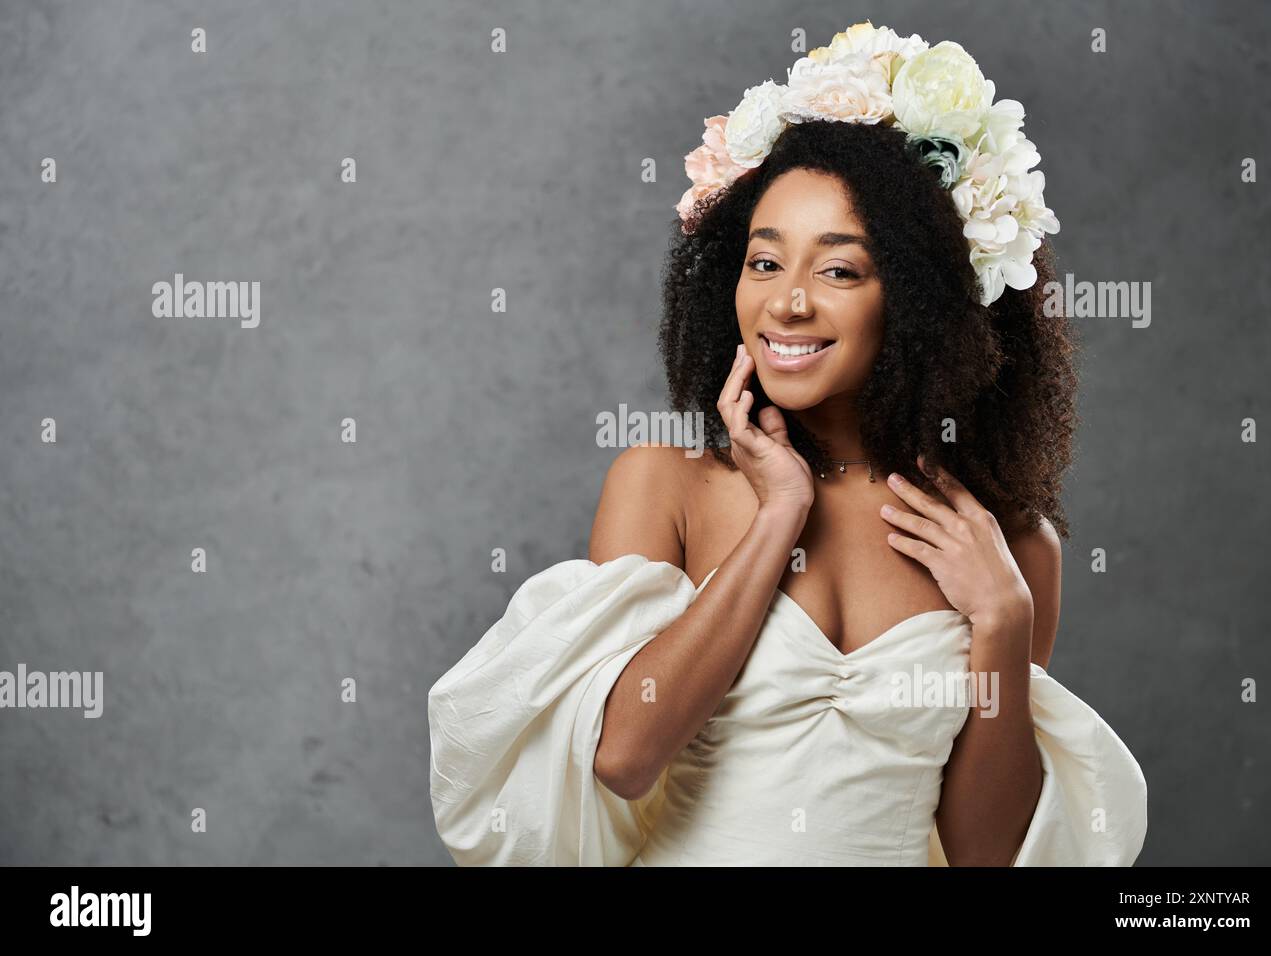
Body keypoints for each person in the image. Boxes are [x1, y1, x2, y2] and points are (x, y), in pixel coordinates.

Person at [428, 20, 1147, 866]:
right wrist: (779, 519)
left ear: (920, 302)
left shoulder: (1011, 547)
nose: (789, 304)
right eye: (765, 263)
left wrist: (1001, 618)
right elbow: (624, 756)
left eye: (838, 270)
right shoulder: (668, 487)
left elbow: (984, 853)